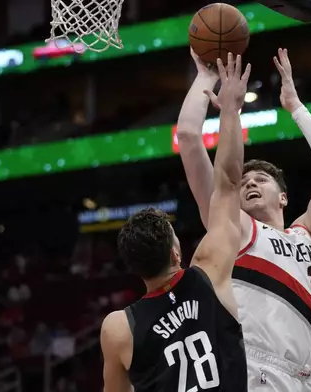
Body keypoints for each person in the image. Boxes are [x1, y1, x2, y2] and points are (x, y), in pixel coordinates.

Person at [177, 47, 311, 391]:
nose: (250, 183)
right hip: (251, 368)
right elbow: (188, 137)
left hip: (305, 379)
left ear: (284, 196)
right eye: (243, 182)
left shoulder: (307, 236)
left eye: (261, 179)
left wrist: (296, 108)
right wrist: (205, 79)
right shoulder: (235, 227)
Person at [100, 53, 251, 392]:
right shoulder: (209, 272)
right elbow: (227, 182)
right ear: (175, 253)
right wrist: (229, 108)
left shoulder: (118, 329)